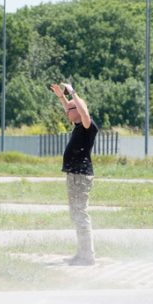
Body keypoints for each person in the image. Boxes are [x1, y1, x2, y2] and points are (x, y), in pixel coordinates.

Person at [50, 82, 99, 265]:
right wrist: (61, 97)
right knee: (76, 215)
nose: (66, 112)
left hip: (80, 176)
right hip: (74, 175)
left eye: (70, 109)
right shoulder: (78, 125)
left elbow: (82, 111)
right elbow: (72, 108)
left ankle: (88, 256)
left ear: (78, 110)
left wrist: (72, 92)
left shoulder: (88, 126)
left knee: (80, 214)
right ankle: (82, 253)